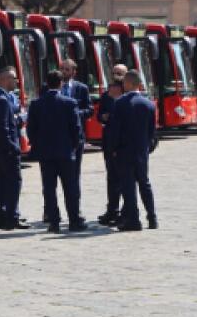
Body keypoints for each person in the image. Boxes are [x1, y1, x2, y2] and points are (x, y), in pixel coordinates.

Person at [27, 70, 87, 234]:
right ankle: (74, 220)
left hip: (46, 154)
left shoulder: (36, 104)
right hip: (66, 152)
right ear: (61, 83)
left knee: (49, 188)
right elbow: (76, 129)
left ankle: (54, 222)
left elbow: (31, 130)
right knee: (70, 188)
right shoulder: (69, 103)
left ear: (47, 82)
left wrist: (38, 145)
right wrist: (73, 147)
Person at [110, 69, 158, 231]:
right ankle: (152, 217)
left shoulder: (120, 103)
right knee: (145, 183)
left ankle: (133, 220)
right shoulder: (149, 104)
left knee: (128, 186)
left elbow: (115, 130)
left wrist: (113, 148)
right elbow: (152, 132)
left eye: (124, 83)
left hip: (124, 151)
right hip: (141, 151)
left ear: (129, 84)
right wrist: (147, 148)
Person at [0, 67, 27, 229]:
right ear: (4, 80)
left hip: (0, 148)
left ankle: (1, 217)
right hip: (7, 149)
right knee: (13, 183)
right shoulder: (2, 100)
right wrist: (12, 147)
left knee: (2, 183)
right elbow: (3, 128)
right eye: (13, 79)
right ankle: (12, 217)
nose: (16, 82)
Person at [97, 63, 128, 226]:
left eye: (120, 73)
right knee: (111, 178)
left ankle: (125, 211)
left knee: (125, 178)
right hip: (109, 141)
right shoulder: (106, 95)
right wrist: (104, 117)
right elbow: (99, 115)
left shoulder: (128, 96)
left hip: (123, 144)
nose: (116, 76)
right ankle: (112, 210)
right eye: (114, 73)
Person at [59, 58, 93, 196]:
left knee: (74, 173)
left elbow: (89, 110)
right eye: (62, 69)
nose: (64, 72)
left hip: (76, 138)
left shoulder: (82, 88)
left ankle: (75, 206)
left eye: (67, 69)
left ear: (73, 72)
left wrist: (76, 114)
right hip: (57, 138)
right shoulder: (52, 86)